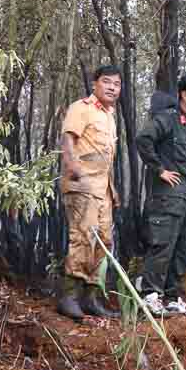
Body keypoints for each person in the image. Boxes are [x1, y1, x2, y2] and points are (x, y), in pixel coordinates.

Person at [135, 73, 186, 316]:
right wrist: (159, 170)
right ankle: (150, 295)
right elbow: (143, 140)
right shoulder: (167, 119)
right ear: (184, 94)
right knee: (162, 247)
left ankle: (172, 297)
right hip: (168, 198)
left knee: (183, 250)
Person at [57, 65, 122, 320]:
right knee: (83, 237)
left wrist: (113, 189)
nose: (111, 88)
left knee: (104, 242)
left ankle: (91, 298)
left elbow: (107, 157)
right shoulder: (81, 108)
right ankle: (69, 297)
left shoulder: (109, 115)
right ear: (95, 84)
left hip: (102, 188)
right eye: (106, 82)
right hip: (82, 185)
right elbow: (68, 142)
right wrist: (76, 173)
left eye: (116, 84)